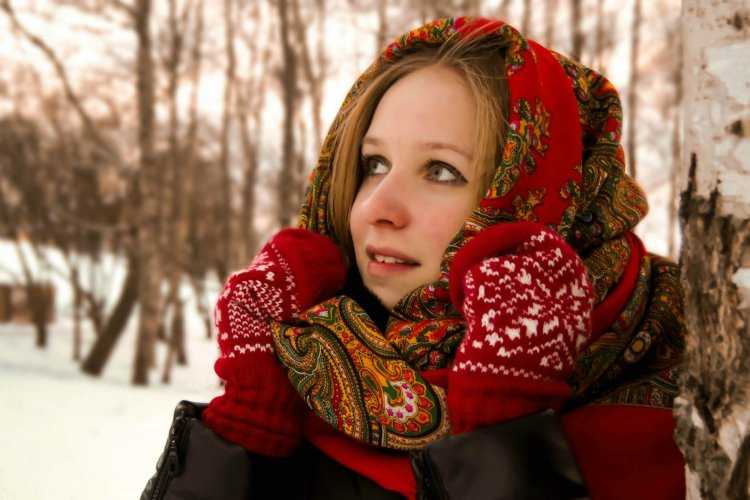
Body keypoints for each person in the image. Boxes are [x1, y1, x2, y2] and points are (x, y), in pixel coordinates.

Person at [201, 16, 686, 500]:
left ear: (541, 197)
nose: (376, 209)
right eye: (375, 164)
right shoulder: (309, 370)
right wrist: (247, 426)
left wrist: (504, 426)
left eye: (441, 171)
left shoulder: (694, 413)